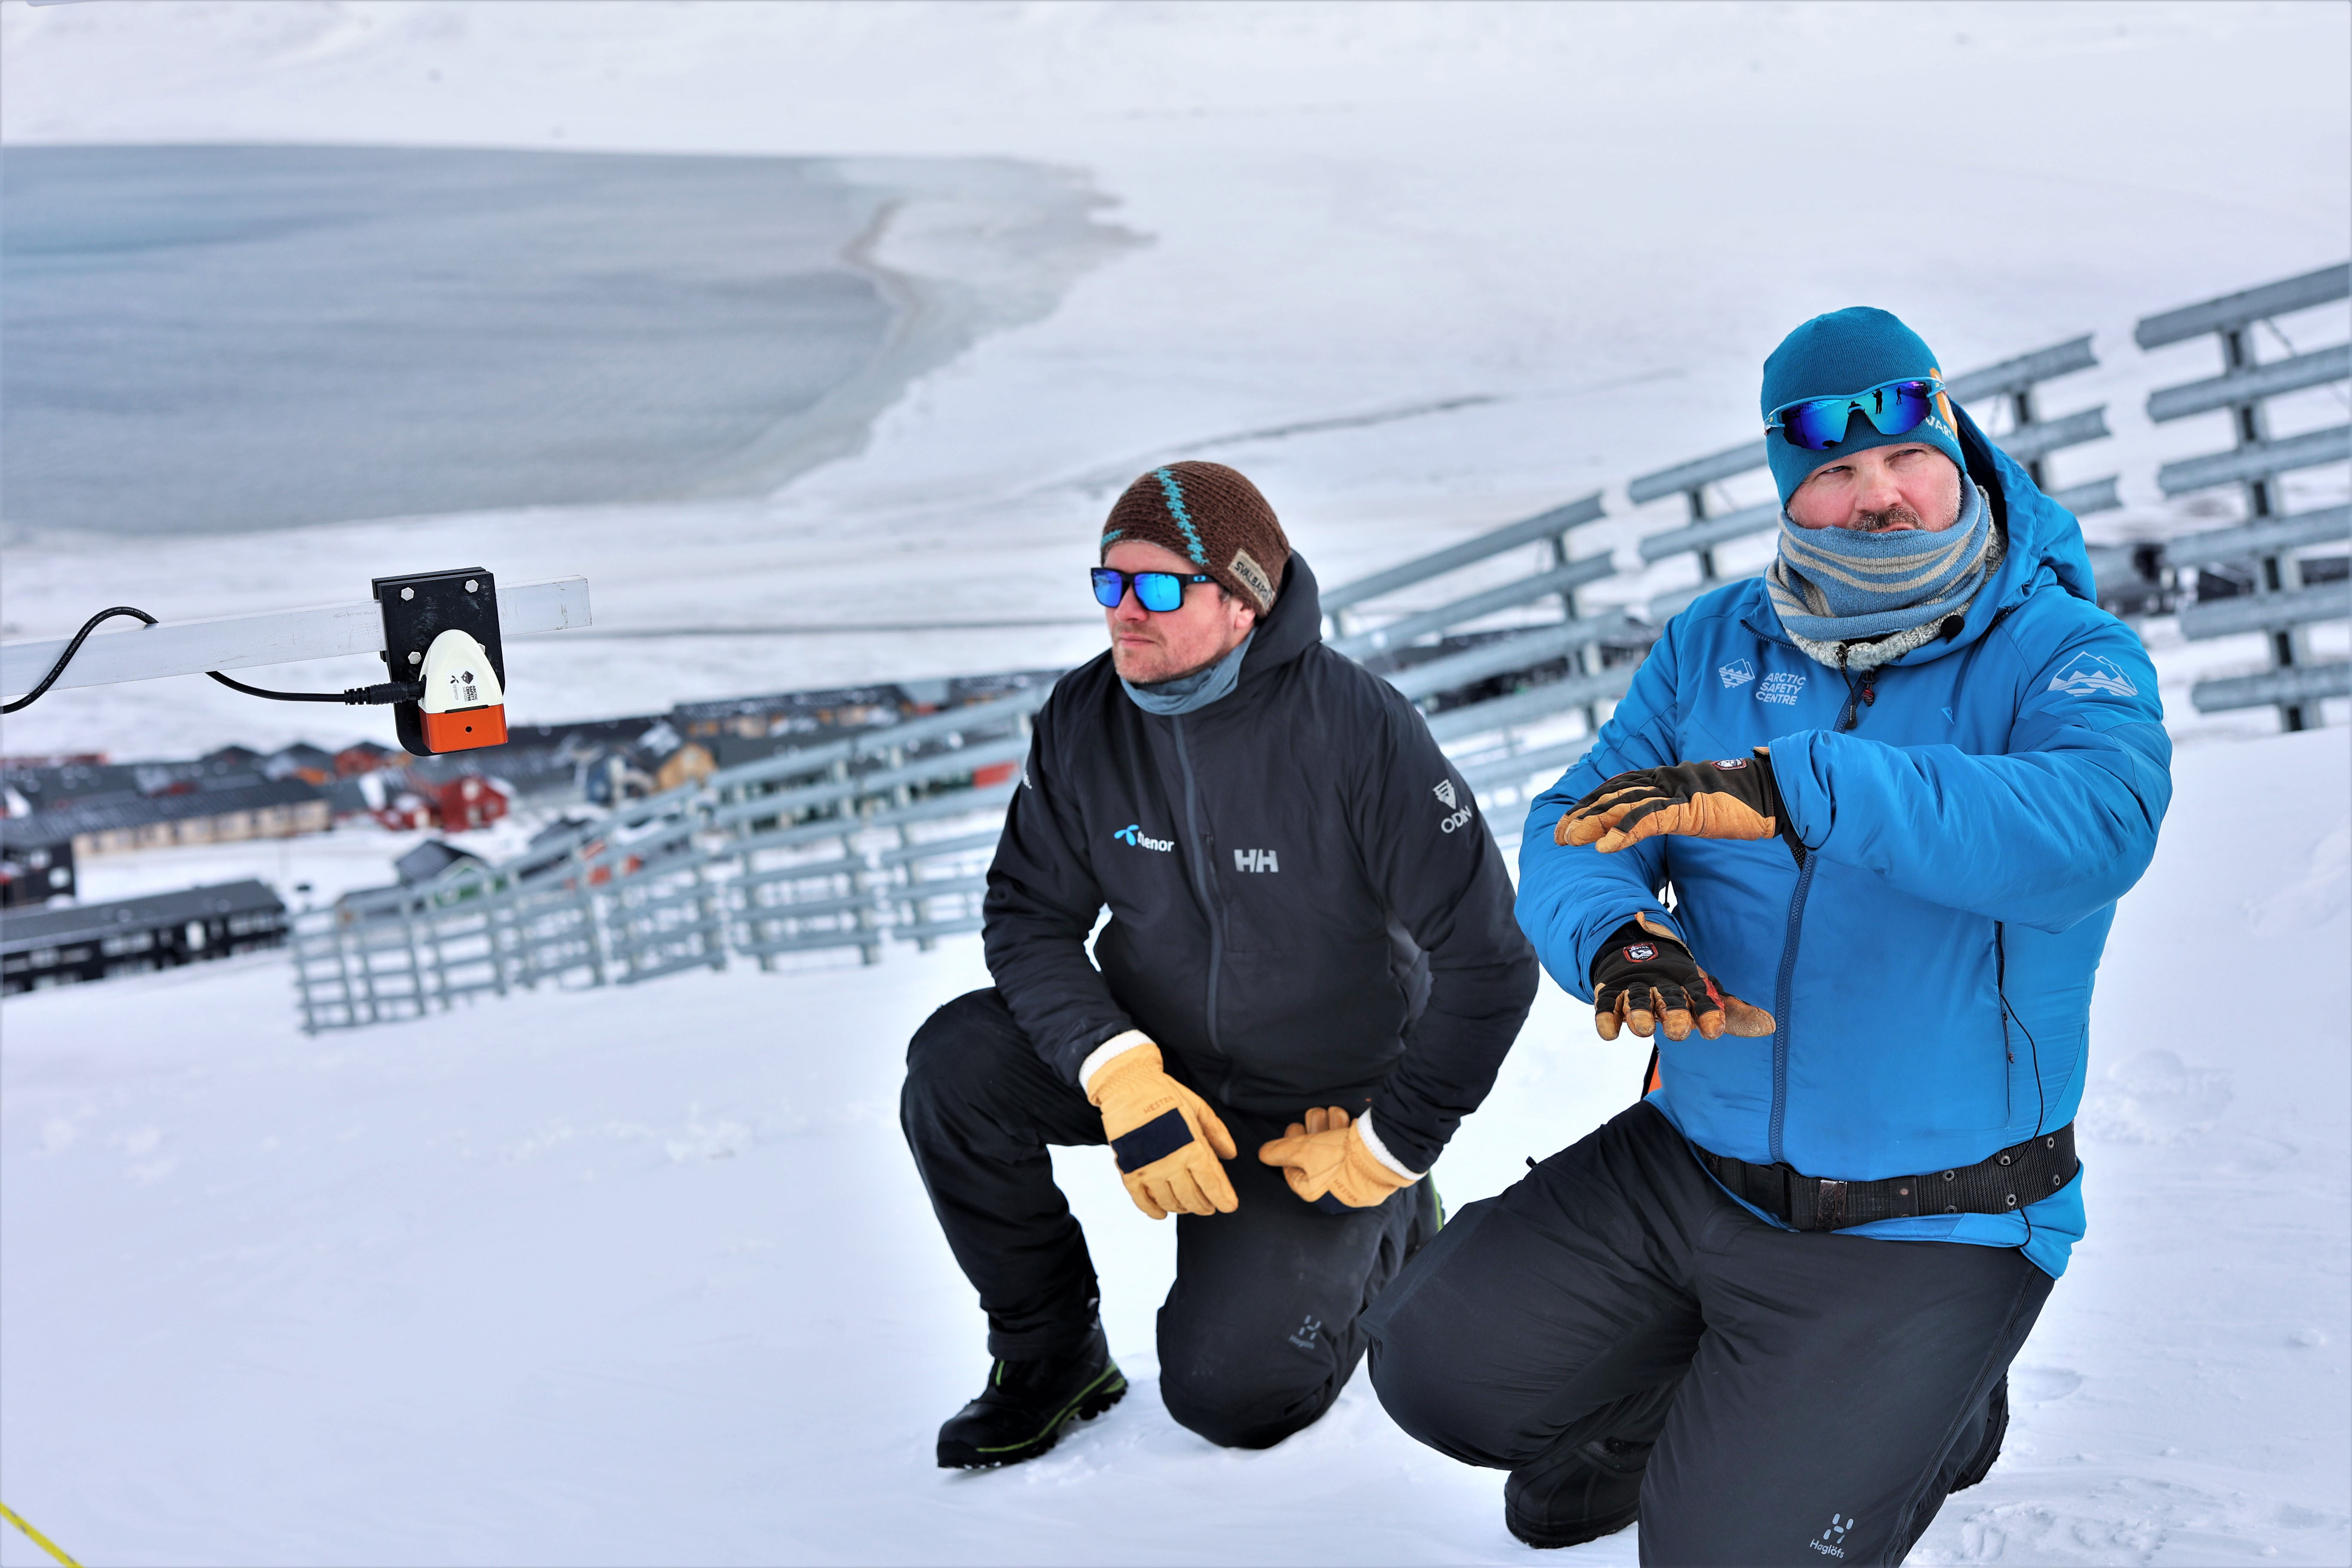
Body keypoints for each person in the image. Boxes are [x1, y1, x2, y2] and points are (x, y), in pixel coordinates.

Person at [1363, 308, 2172, 1564]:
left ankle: (1926, 1412)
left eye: (1904, 457)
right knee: (1434, 1365)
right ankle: (1752, 1412)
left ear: (1953, 444)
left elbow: (2094, 830)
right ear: (1792, 493)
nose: (1879, 496)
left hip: (1934, 1218)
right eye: (1835, 474)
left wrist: (1805, 788)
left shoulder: (2060, 651)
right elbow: (1583, 823)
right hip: (1695, 1164)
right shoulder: (1716, 644)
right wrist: (1618, 938)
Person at [902, 460, 1539, 1468]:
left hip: (1318, 1112)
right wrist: (1119, 1073)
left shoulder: (1358, 729)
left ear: (1242, 603)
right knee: (956, 1066)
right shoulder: (1085, 720)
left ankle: (1391, 1226)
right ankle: (1050, 1354)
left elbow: (1490, 960)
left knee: (1236, 1398)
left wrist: (1389, 1144)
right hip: (1161, 1068)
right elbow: (1027, 916)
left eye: (1158, 587)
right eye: (1110, 584)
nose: (1125, 613)